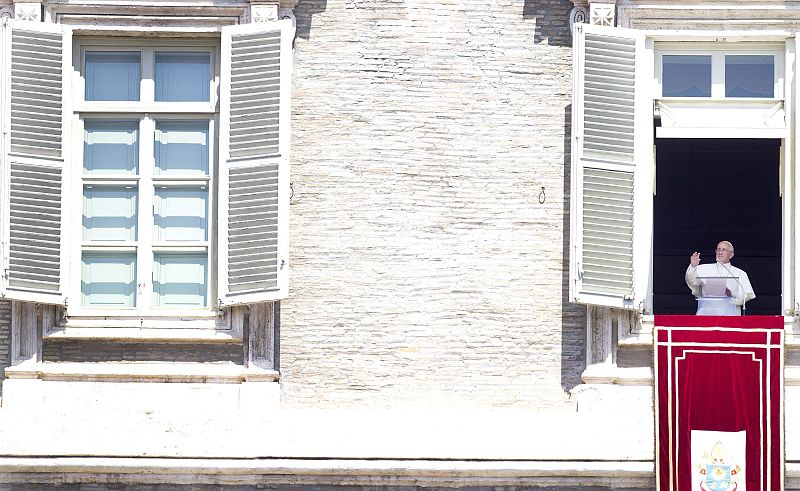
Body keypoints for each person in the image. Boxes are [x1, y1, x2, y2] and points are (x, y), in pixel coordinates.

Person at [686, 241, 755, 315]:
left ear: (731, 254)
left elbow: (746, 295)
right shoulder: (703, 268)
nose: (720, 252)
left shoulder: (740, 273)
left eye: (723, 250)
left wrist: (732, 294)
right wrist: (693, 266)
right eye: (718, 249)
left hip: (730, 315)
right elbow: (692, 281)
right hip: (707, 314)